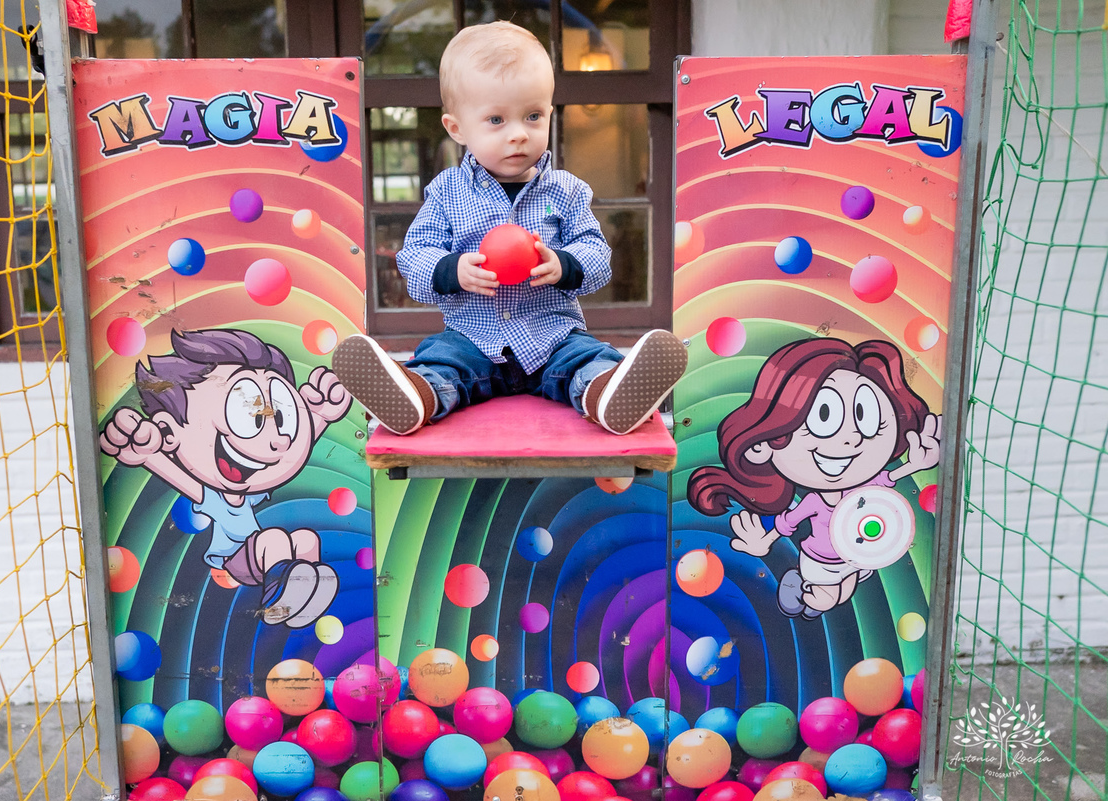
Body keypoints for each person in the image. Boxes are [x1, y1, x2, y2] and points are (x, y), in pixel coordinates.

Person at [333, 21, 686, 436]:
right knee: (443, 362)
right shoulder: (447, 193)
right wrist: (454, 270)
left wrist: (564, 264)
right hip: (472, 339)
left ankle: (608, 394)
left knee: (585, 359)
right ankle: (417, 396)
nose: (519, 134)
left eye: (533, 116)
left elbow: (597, 256)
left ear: (550, 114)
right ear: (457, 128)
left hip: (552, 336)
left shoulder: (566, 191)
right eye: (497, 120)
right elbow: (415, 258)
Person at [99, 328, 353, 628]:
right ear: (168, 432)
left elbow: (295, 449)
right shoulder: (211, 497)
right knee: (273, 540)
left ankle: (308, 595)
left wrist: (320, 415)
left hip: (254, 554)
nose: (278, 441)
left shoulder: (251, 492)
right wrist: (144, 453)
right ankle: (278, 596)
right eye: (248, 417)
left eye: (282, 416)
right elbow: (173, 473)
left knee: (306, 539)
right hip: (230, 562)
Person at [686, 338, 941, 618]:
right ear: (764, 443)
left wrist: (915, 465)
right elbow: (789, 523)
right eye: (825, 415)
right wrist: (764, 542)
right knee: (828, 598)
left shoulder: (865, 491)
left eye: (864, 416)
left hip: (857, 558)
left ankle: (804, 590)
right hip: (822, 562)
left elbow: (888, 479)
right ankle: (805, 594)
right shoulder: (815, 502)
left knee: (846, 590)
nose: (852, 438)